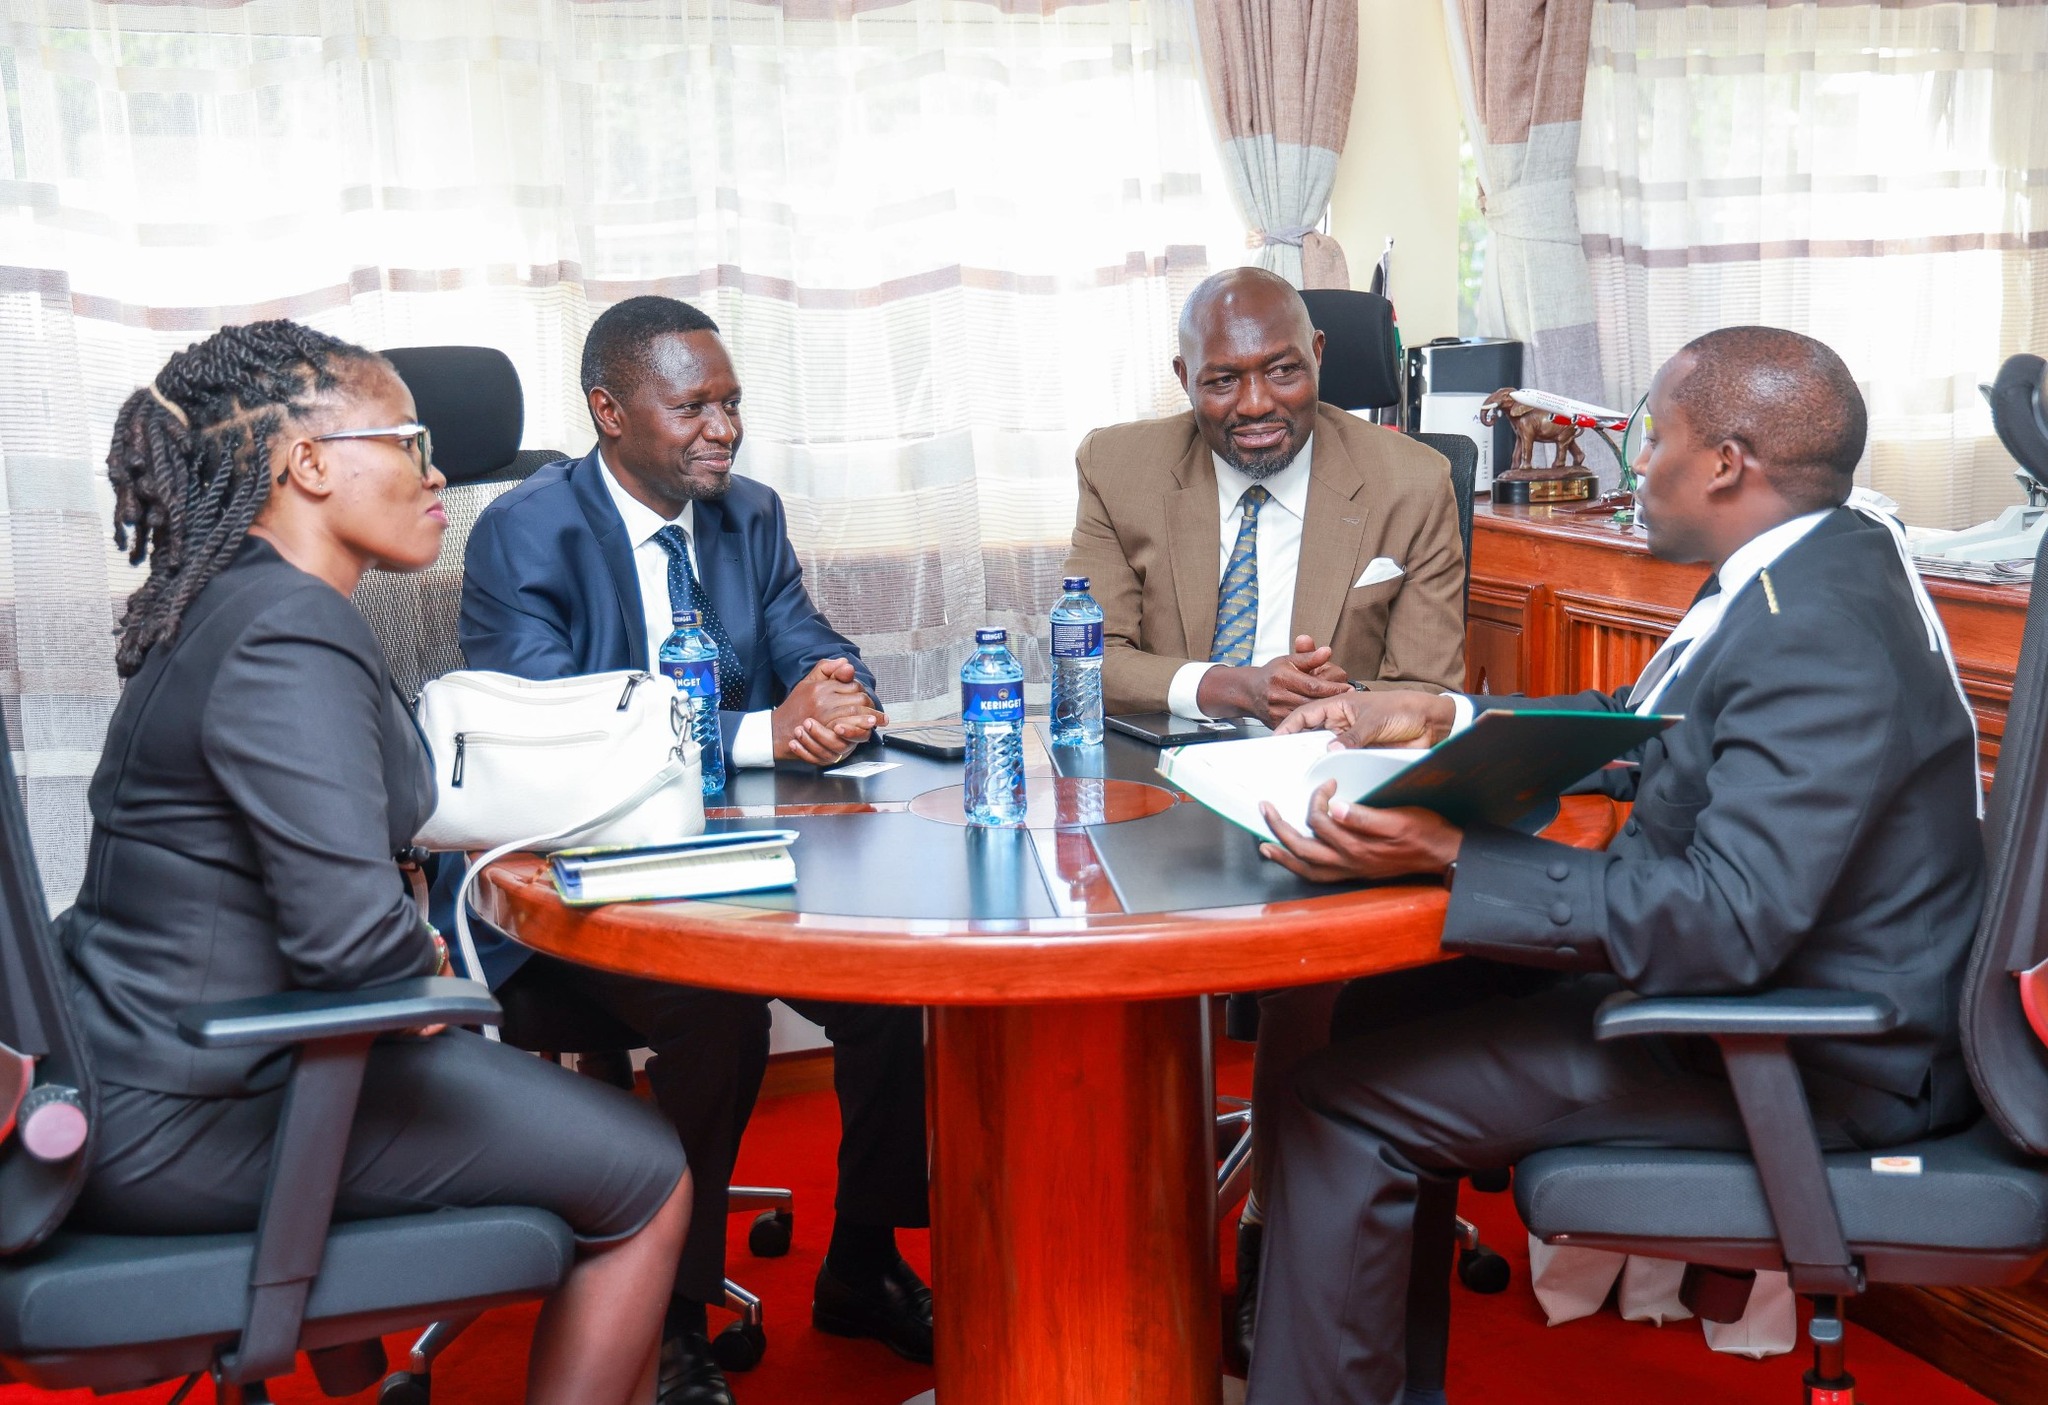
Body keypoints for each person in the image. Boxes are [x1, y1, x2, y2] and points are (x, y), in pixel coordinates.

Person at [1243, 327, 1986, 1405]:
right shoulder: (1819, 553)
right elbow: (1649, 723)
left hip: (1808, 1055)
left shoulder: (1810, 628)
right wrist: (1443, 712)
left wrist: (1452, 851)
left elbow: (1727, 924)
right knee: (1381, 1016)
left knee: (1333, 1104)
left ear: (1726, 462)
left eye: (1651, 435)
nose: (1633, 464)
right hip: (1767, 993)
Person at [60, 321, 691, 1405]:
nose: (436, 471)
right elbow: (352, 948)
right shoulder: (284, 634)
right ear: (307, 463)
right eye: (408, 440)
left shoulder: (230, 606)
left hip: (147, 1054)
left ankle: (346, 1347)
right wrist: (423, 961)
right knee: (646, 1172)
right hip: (193, 1107)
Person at [456, 295, 931, 1404]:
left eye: (731, 404)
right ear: (609, 412)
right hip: (569, 888)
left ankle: (860, 1261)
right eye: (693, 406)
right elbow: (555, 732)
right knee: (713, 1007)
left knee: (899, 985)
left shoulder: (747, 516)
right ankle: (666, 1315)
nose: (722, 428)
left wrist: (835, 691)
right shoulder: (526, 533)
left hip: (741, 862)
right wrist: (764, 729)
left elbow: (810, 642)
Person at [1064, 265, 1470, 1359]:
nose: (1254, 406)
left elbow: (1432, 685)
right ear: (1182, 380)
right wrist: (1225, 684)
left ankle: (1271, 1228)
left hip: (1324, 787)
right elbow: (1086, 655)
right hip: (1160, 780)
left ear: (1318, 362)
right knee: (1089, 945)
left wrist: (1349, 708)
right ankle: (1122, 1244)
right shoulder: (1119, 462)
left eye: (1280, 372)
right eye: (1222, 381)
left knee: (1318, 960)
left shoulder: (1407, 477)